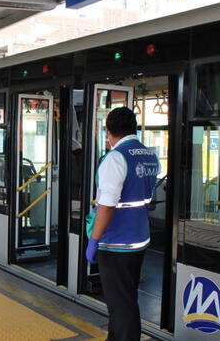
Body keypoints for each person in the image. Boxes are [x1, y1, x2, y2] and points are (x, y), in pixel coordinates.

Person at [86, 107, 158, 341]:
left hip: (116, 243)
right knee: (125, 298)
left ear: (108, 131)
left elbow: (106, 205)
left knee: (121, 305)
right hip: (139, 239)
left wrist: (94, 241)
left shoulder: (116, 157)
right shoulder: (148, 155)